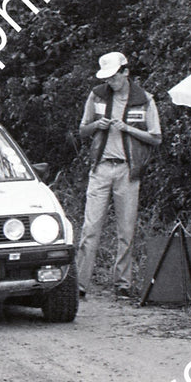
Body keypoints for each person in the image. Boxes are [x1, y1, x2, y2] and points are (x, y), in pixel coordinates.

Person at [76, 52, 162, 298]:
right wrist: (97, 125)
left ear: (126, 72)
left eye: (114, 77)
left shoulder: (144, 100)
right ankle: (81, 283)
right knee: (90, 227)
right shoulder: (97, 95)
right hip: (101, 168)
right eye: (107, 78)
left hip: (128, 169)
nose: (110, 82)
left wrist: (128, 129)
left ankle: (122, 283)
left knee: (126, 229)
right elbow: (83, 130)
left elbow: (156, 138)